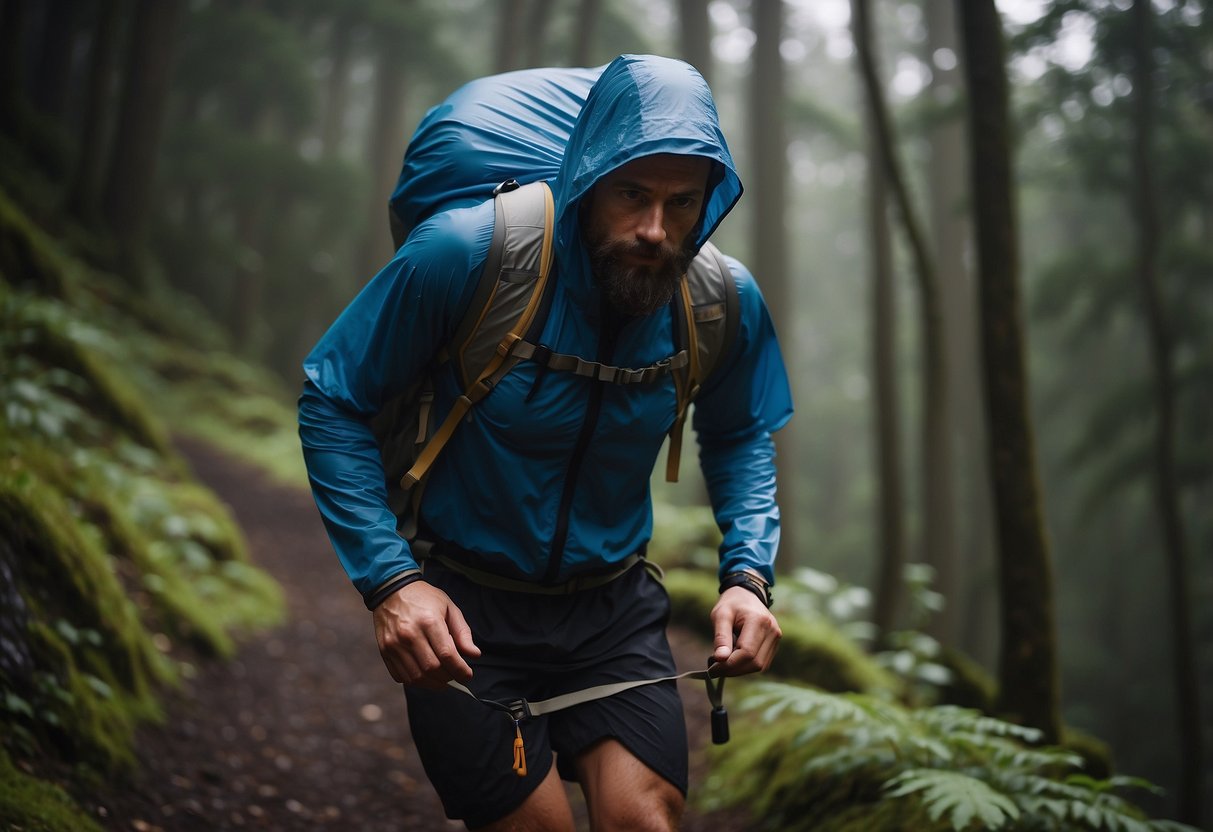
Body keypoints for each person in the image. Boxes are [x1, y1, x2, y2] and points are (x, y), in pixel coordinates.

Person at [298, 54, 793, 832]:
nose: (654, 230)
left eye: (681, 203)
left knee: (644, 821)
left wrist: (748, 576)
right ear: (588, 178)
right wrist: (391, 582)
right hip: (466, 608)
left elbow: (737, 435)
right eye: (632, 194)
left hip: (613, 612)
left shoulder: (718, 300)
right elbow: (334, 400)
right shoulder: (466, 253)